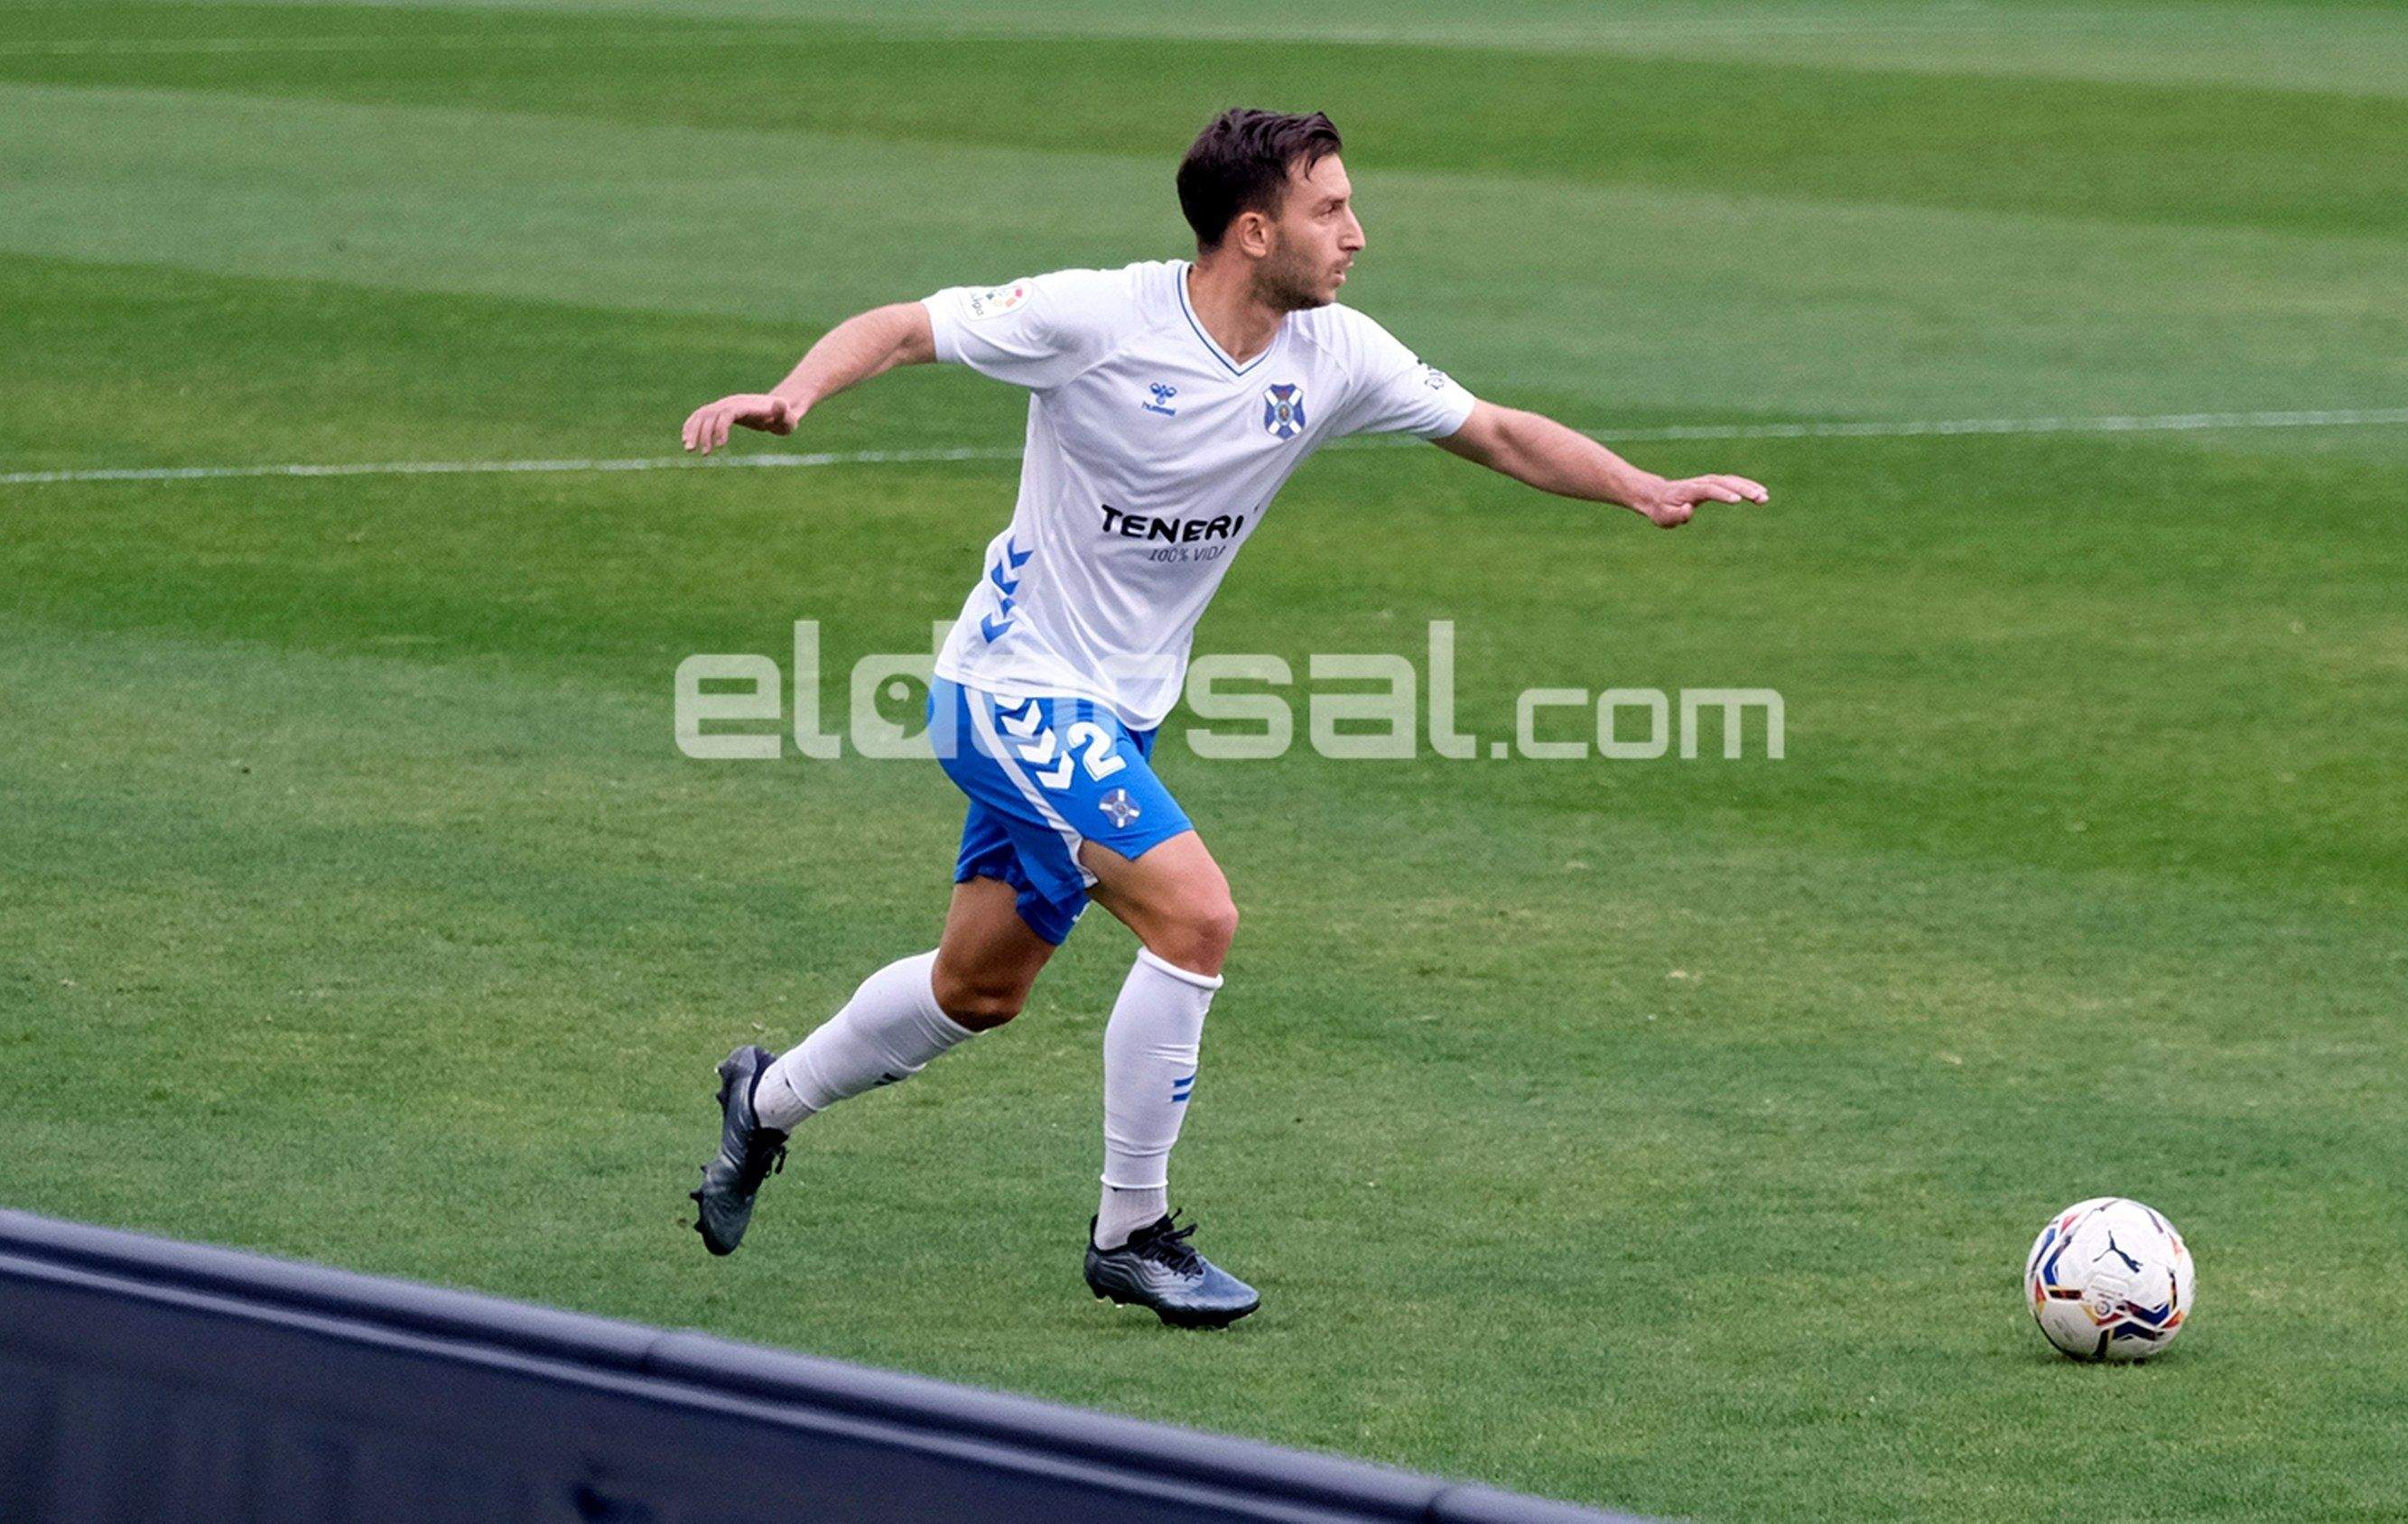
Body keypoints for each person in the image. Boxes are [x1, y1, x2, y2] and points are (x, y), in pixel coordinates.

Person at [679, 107, 1767, 1328]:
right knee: (1197, 915)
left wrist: (1644, 489)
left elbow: (1496, 430)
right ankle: (1130, 1230)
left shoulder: (1334, 352)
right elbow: (904, 328)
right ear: (1254, 232)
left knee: (978, 987)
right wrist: (797, 391)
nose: (1357, 232)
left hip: (1118, 714)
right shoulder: (1097, 317)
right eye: (1331, 209)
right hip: (1011, 690)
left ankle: (762, 1101)